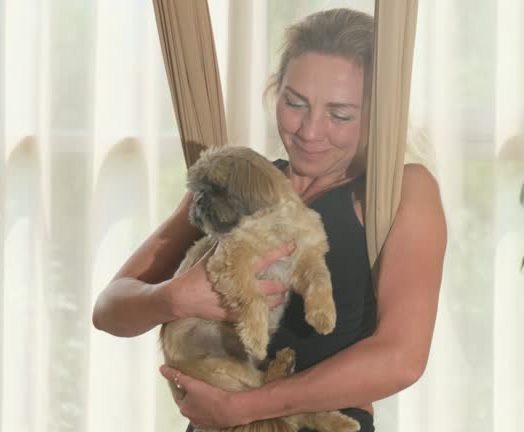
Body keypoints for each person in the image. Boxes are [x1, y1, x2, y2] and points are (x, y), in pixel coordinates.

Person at [91, 8, 446, 432]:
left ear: (379, 114)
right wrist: (176, 298)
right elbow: (110, 308)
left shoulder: (397, 191)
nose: (310, 131)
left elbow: (402, 358)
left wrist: (245, 408)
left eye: (340, 115)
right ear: (275, 92)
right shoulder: (236, 179)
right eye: (295, 103)